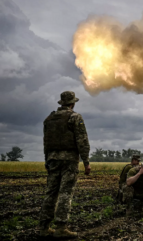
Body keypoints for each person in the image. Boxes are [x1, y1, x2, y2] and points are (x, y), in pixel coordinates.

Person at [38, 91, 91, 238]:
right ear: (72, 103)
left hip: (52, 159)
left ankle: (44, 227)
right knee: (65, 192)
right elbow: (82, 141)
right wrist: (86, 162)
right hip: (69, 160)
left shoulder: (48, 119)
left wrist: (46, 160)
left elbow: (46, 143)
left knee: (51, 193)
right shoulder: (75, 117)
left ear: (62, 103)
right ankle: (61, 227)